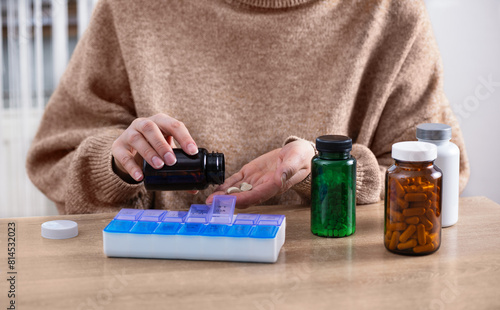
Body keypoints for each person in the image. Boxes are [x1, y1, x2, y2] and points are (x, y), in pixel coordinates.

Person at [26, 0, 469, 214]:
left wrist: (329, 168)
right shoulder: (133, 9)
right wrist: (118, 163)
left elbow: (439, 174)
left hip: (338, 298)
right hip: (162, 291)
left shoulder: (392, 15)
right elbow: (56, 154)